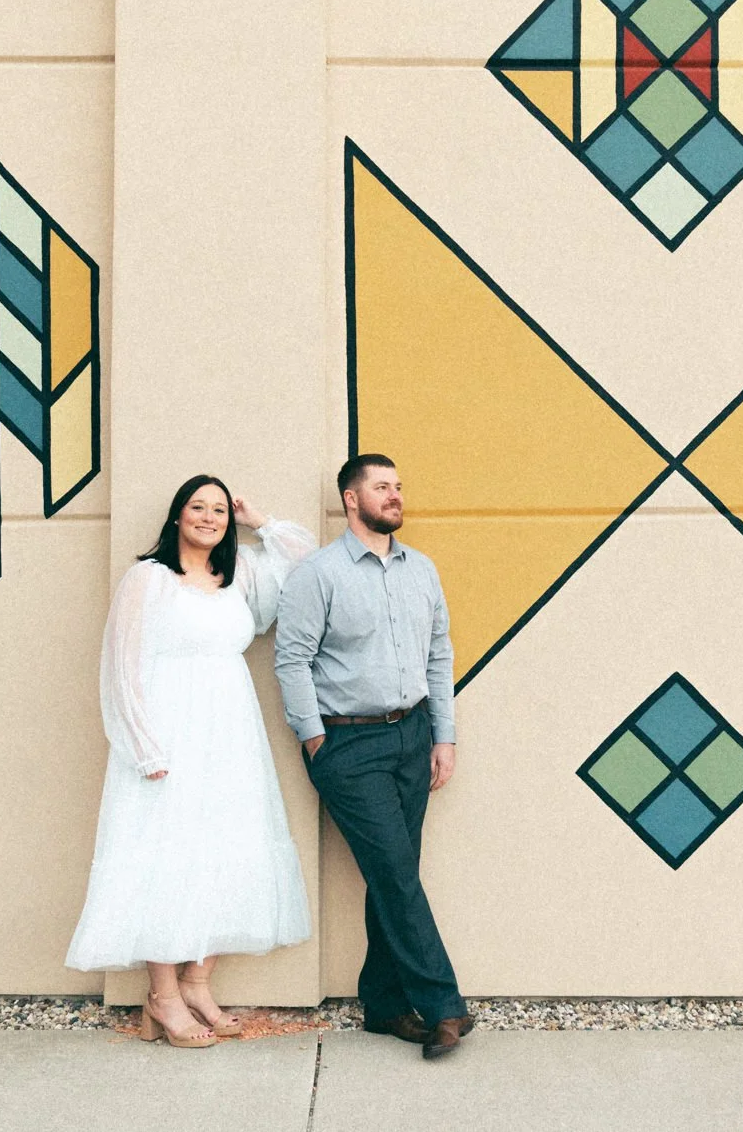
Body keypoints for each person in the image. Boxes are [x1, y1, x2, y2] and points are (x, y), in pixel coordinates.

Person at [66, 474, 316, 1049]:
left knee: (222, 851)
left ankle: (198, 983)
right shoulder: (148, 579)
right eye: (197, 507)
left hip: (230, 734)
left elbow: (307, 565)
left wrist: (262, 521)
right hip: (170, 735)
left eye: (220, 510)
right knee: (166, 855)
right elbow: (120, 665)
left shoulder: (241, 578)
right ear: (177, 515)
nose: (209, 517)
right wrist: (143, 745)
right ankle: (162, 996)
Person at [273, 453, 472, 1059]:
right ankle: (444, 1007)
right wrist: (315, 740)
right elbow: (292, 659)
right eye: (381, 487)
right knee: (395, 873)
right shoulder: (319, 573)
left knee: (394, 876)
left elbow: (439, 653)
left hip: (413, 737)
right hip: (348, 745)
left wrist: (443, 735)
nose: (395, 496)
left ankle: (383, 1006)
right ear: (351, 499)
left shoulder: (422, 571)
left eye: (399, 487)